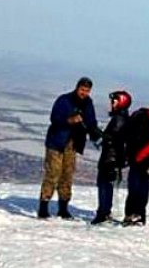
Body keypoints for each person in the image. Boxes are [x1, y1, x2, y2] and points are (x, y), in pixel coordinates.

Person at [37, 77, 102, 219]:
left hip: (73, 143)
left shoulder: (88, 103)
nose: (84, 93)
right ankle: (43, 207)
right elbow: (54, 119)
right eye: (82, 90)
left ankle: (63, 208)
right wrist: (69, 120)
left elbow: (91, 121)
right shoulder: (64, 100)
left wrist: (96, 133)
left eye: (87, 91)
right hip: (56, 141)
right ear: (77, 87)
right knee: (53, 174)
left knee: (67, 174)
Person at [91, 90, 132, 225]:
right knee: (105, 184)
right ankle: (104, 212)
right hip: (113, 158)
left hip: (110, 158)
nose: (112, 104)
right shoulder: (122, 118)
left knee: (104, 185)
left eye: (114, 101)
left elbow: (111, 139)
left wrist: (97, 132)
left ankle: (103, 213)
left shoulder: (119, 120)